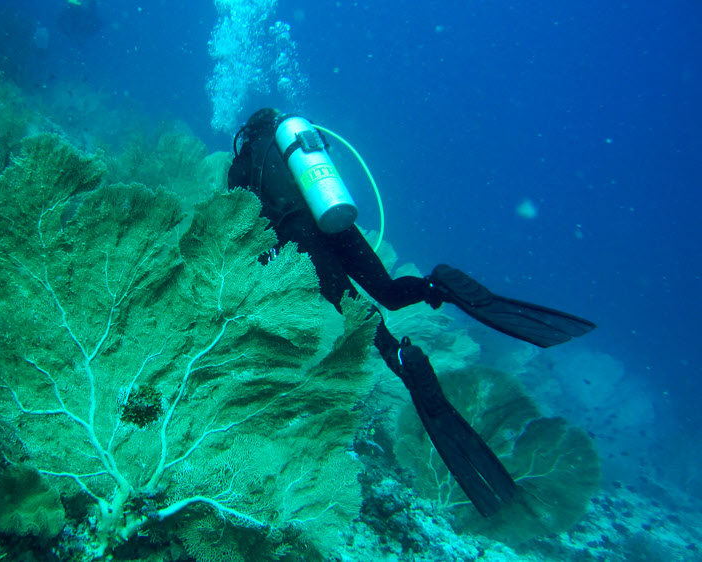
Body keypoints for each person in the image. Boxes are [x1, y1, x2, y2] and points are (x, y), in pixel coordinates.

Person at [228, 108, 596, 517]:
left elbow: (244, 220)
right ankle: (439, 285)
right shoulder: (297, 144)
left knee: (355, 308)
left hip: (300, 233)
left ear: (247, 133)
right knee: (387, 290)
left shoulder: (245, 162)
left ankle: (399, 356)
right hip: (336, 222)